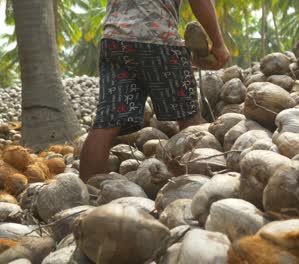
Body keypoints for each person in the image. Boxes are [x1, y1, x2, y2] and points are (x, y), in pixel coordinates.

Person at [79, 0, 230, 182]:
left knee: (106, 123)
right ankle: (195, 182)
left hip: (114, 41)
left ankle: (86, 194)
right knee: (188, 117)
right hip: (159, 39)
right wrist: (218, 43)